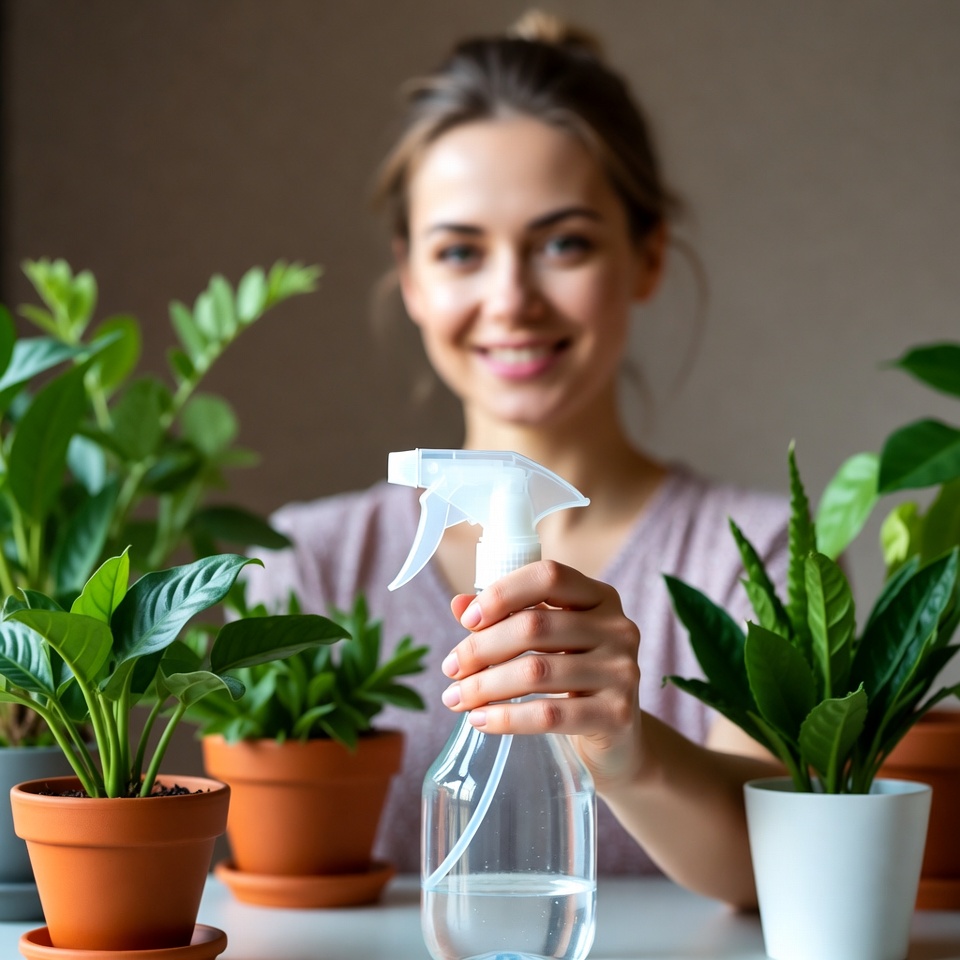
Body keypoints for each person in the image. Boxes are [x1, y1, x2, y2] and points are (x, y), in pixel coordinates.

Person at [246, 10, 788, 908]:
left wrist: (626, 745)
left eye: (563, 242)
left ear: (647, 255)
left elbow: (774, 870)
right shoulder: (306, 571)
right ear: (412, 279)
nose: (511, 299)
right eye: (461, 251)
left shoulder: (751, 560)